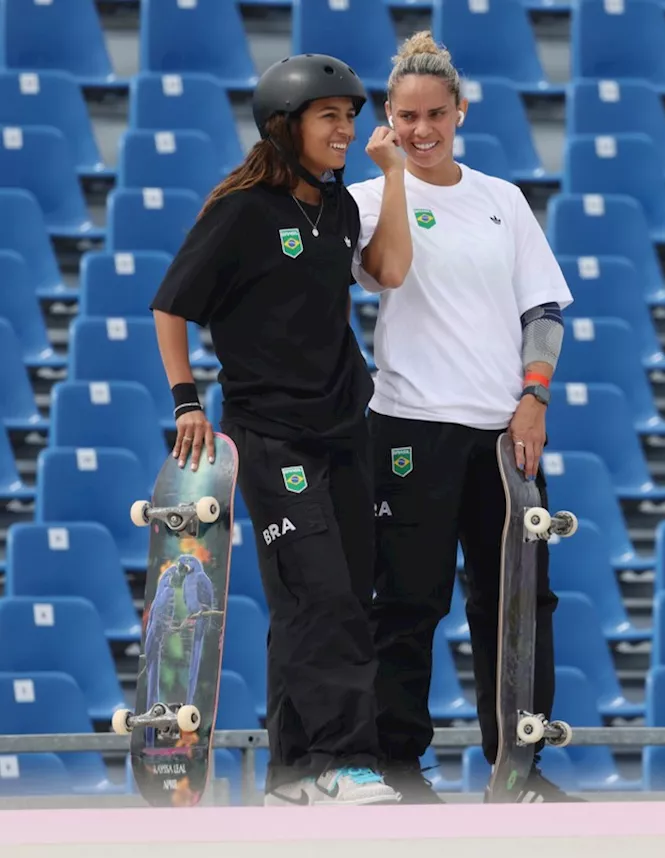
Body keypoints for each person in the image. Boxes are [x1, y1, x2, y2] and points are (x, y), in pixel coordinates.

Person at [149, 52, 414, 805]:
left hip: (344, 430)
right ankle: (342, 759)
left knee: (331, 597)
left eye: (351, 116)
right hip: (271, 437)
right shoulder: (241, 214)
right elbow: (171, 306)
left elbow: (391, 269)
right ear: (283, 125)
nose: (346, 128)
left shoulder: (339, 209)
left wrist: (392, 175)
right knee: (322, 595)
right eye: (329, 115)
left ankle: (292, 773)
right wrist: (186, 403)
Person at [345, 31, 577, 804]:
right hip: (407, 425)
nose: (421, 130)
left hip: (502, 434)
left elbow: (542, 308)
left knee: (516, 603)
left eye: (435, 114)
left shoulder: (501, 201)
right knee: (407, 600)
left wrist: (534, 396)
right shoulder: (369, 199)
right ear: (386, 115)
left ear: (460, 111)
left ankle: (518, 769)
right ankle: (399, 766)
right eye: (406, 115)